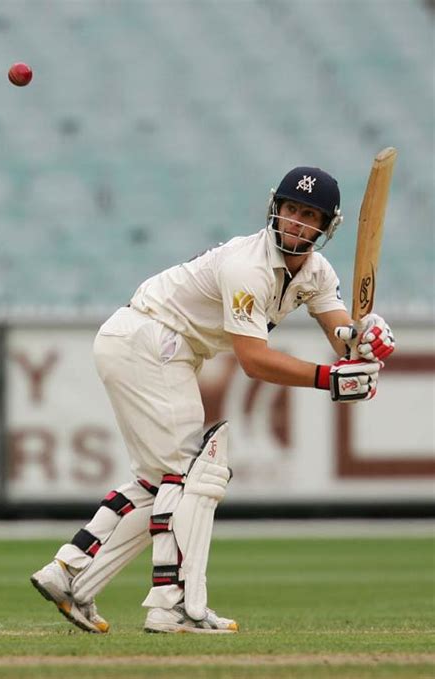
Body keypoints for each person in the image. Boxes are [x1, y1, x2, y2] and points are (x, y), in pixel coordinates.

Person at [31, 166, 395, 634]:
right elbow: (253, 360)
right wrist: (331, 378)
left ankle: (70, 573)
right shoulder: (249, 267)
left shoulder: (317, 273)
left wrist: (366, 339)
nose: (297, 223)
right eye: (290, 210)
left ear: (326, 228)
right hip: (151, 340)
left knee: (156, 482)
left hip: (154, 346)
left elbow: (341, 333)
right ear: (275, 210)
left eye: (310, 216)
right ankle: (174, 605)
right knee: (192, 478)